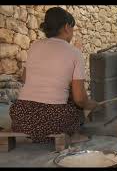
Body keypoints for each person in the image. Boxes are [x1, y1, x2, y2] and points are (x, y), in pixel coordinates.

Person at [9, 7, 98, 143]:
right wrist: (90, 104)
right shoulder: (74, 53)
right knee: (77, 107)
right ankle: (72, 135)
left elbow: (24, 78)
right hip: (54, 121)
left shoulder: (35, 46)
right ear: (67, 27)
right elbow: (80, 98)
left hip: (21, 117)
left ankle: (36, 133)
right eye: (72, 29)